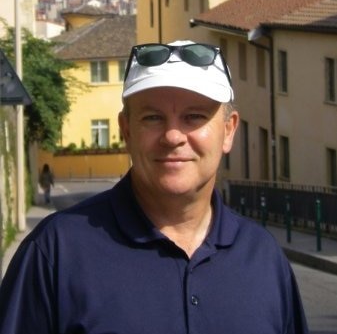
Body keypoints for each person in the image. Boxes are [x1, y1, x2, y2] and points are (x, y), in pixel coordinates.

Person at [0, 40, 308, 334]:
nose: (173, 136)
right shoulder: (56, 252)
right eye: (152, 118)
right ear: (126, 131)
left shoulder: (263, 257)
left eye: (194, 117)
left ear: (228, 131)